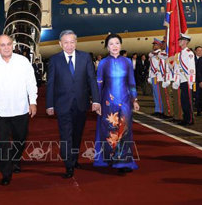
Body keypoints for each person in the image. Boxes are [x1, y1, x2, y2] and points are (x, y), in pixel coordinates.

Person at [0, 34, 37, 186]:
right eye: (2, 45)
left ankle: (16, 159)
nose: (6, 47)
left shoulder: (23, 62)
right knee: (2, 143)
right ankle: (6, 173)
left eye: (8, 44)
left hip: (21, 108)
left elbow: (31, 83)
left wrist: (33, 102)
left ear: (13, 45)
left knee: (20, 138)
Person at [46, 30, 100, 179]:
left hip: (81, 104)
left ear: (76, 43)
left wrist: (95, 100)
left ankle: (74, 159)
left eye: (72, 42)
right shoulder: (55, 60)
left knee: (77, 135)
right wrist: (49, 104)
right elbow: (50, 83)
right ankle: (68, 165)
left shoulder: (85, 58)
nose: (69, 45)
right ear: (60, 44)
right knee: (66, 136)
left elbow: (91, 80)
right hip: (62, 105)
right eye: (66, 42)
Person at [94, 34, 140, 173]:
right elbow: (99, 84)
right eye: (111, 44)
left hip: (125, 101)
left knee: (124, 131)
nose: (114, 46)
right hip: (108, 103)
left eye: (117, 43)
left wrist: (135, 99)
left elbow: (131, 82)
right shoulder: (103, 63)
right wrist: (97, 102)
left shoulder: (127, 62)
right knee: (110, 130)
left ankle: (123, 161)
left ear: (121, 45)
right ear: (107, 47)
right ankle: (109, 158)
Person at [175, 34, 195, 126]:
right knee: (183, 100)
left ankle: (190, 119)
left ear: (186, 42)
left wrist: (191, 81)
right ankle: (185, 118)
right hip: (182, 80)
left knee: (188, 101)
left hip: (187, 80)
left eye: (181, 40)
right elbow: (178, 68)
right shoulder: (180, 54)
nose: (179, 41)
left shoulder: (189, 53)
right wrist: (176, 80)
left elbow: (191, 69)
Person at [148, 38, 164, 117]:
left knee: (158, 94)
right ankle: (157, 109)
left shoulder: (159, 54)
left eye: (156, 44)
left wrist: (158, 74)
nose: (154, 46)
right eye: (154, 44)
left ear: (159, 46)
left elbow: (160, 65)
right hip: (153, 76)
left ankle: (160, 110)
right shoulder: (153, 54)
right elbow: (151, 67)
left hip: (157, 76)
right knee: (155, 94)